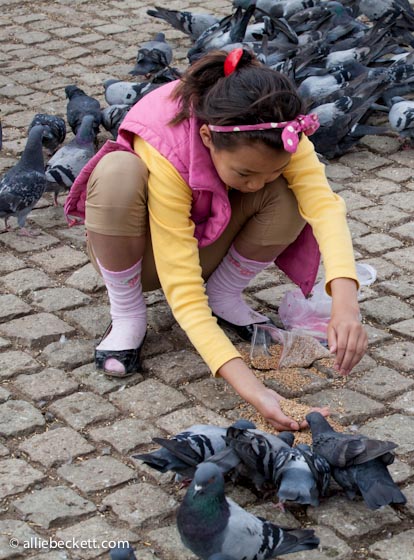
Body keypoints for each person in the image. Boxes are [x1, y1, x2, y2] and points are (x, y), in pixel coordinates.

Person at [64, 48, 367, 431]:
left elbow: (324, 207)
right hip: (143, 252)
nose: (256, 185)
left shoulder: (279, 128)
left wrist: (345, 303)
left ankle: (223, 294)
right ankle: (127, 312)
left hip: (211, 236)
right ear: (207, 136)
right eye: (245, 173)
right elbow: (183, 287)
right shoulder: (167, 140)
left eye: (268, 173)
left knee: (294, 193)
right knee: (118, 172)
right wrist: (255, 392)